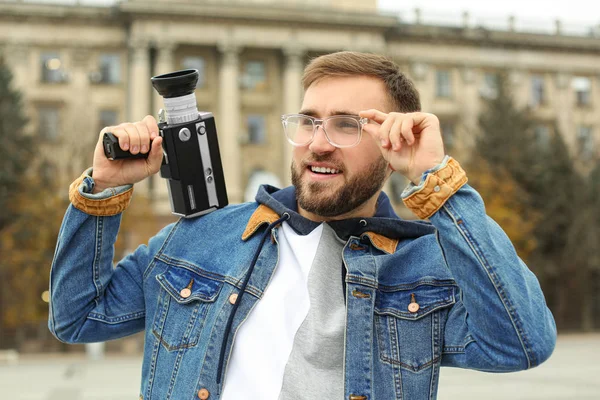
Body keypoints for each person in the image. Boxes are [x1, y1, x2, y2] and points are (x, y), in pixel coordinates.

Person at [48, 51, 556, 400]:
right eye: (310, 120)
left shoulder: (423, 266)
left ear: (393, 141)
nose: (319, 141)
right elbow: (77, 317)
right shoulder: (201, 238)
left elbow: (520, 342)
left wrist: (436, 181)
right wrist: (105, 190)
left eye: (347, 124)